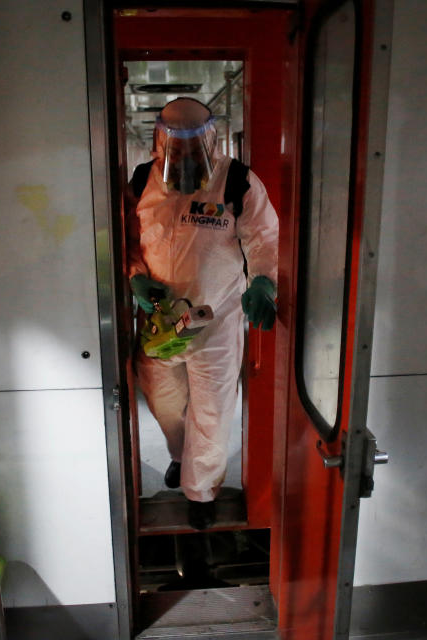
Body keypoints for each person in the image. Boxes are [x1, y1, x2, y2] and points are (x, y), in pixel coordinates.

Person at [126, 97, 279, 530]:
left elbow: (264, 239)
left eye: (193, 144)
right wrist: (137, 276)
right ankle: (180, 455)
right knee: (163, 398)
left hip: (216, 316)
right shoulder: (142, 182)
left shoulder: (238, 181)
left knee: (212, 409)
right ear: (161, 141)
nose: (185, 154)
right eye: (176, 145)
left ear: (209, 139)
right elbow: (128, 241)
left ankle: (201, 492)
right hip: (161, 319)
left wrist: (264, 281)